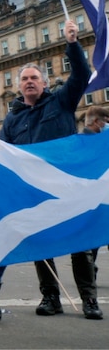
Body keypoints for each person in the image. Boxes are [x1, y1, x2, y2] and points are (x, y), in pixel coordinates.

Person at [0, 19, 102, 321]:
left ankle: (89, 299)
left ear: (44, 83)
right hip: (34, 188)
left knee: (81, 243)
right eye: (25, 79)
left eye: (35, 78)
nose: (30, 82)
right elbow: (5, 155)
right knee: (40, 243)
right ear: (19, 86)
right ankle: (51, 297)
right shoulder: (11, 119)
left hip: (68, 183)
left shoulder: (60, 102)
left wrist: (72, 44)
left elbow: (82, 75)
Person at [80, 106, 109, 280]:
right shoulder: (85, 142)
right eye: (107, 122)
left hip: (101, 198)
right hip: (94, 199)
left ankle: (90, 270)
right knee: (92, 241)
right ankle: (89, 271)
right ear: (98, 122)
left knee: (94, 241)